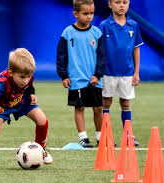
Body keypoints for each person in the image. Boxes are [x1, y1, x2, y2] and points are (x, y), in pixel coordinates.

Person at [0, 48, 53, 170]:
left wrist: (32, 93)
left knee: (42, 119)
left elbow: (29, 85)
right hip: (4, 105)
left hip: (21, 101)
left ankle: (41, 149)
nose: (26, 80)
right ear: (11, 73)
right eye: (22, 77)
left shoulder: (27, 77)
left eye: (29, 76)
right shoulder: (2, 82)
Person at [56, 0, 106, 148]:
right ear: (75, 14)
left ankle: (100, 137)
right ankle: (83, 137)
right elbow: (61, 56)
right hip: (76, 80)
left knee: (98, 108)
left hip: (94, 80)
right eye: (85, 13)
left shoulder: (96, 33)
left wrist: (98, 74)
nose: (89, 16)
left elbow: (102, 56)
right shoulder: (67, 33)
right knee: (79, 108)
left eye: (91, 13)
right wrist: (64, 75)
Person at [99, 0, 143, 146]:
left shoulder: (133, 25)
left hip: (127, 73)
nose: (122, 5)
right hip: (108, 72)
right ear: (110, 4)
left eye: (125, 2)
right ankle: (105, 135)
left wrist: (136, 72)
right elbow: (99, 51)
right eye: (117, 2)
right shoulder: (104, 25)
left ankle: (128, 135)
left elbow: (136, 49)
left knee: (125, 103)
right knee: (106, 102)